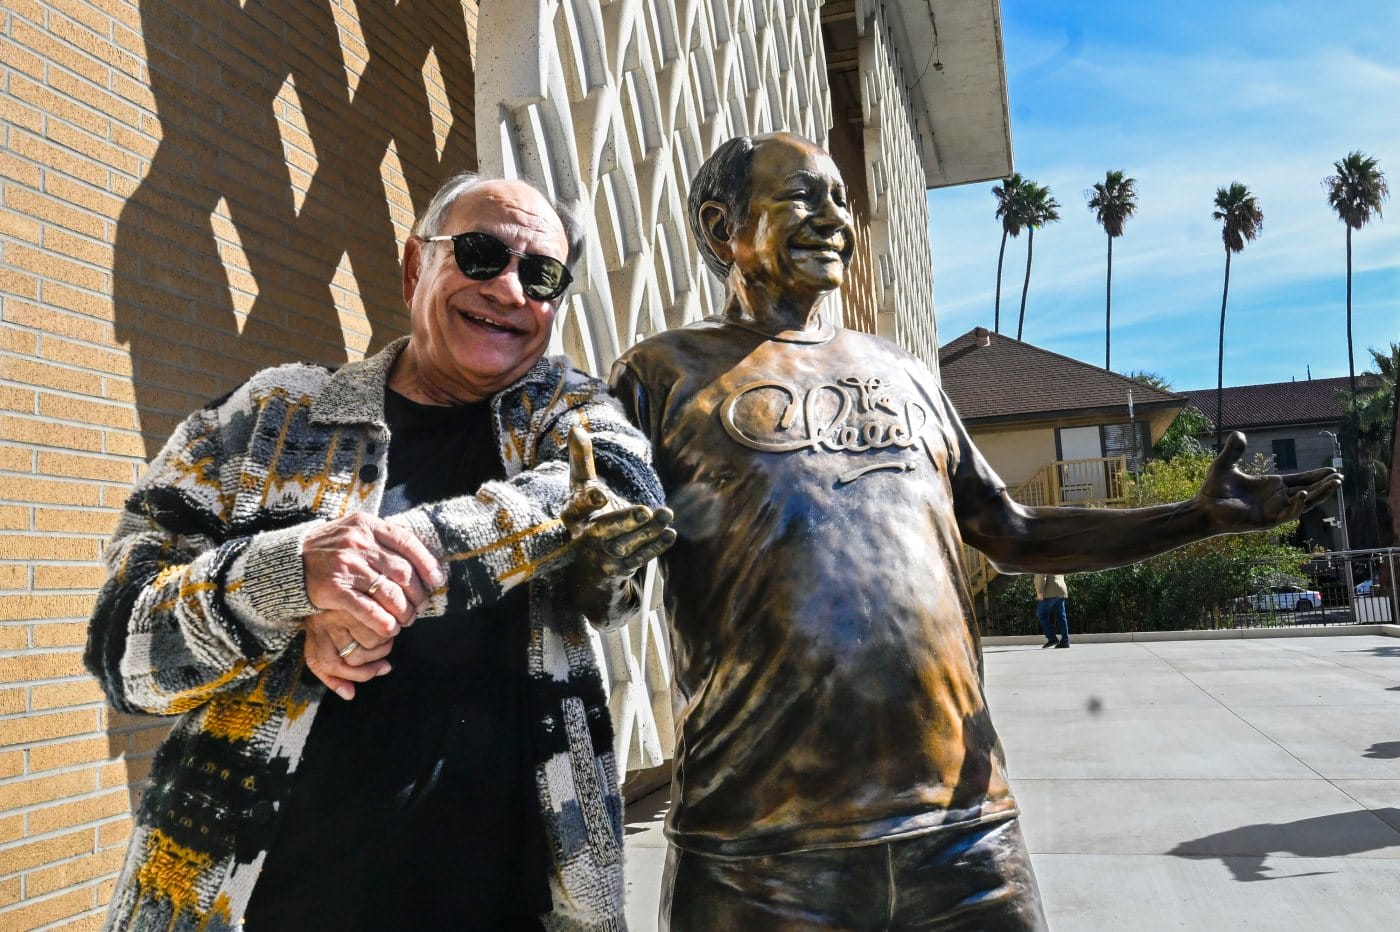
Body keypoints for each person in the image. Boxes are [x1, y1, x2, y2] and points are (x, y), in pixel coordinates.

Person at [610, 132, 1341, 930]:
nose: (833, 218)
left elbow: (1012, 530)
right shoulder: (661, 375)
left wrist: (1194, 518)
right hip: (757, 850)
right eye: (802, 197)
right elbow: (606, 578)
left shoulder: (905, 373)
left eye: (842, 199)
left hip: (964, 830)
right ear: (723, 227)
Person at [86, 171, 675, 931]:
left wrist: (374, 580)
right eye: (480, 253)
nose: (509, 290)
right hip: (256, 904)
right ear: (413, 266)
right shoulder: (269, 417)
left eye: (542, 275)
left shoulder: (570, 416)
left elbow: (611, 495)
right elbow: (120, 650)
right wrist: (284, 579)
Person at [1034, 573, 1070, 648]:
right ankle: (1065, 641)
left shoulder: (1040, 562)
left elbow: (1041, 576)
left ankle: (1052, 638)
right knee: (1061, 617)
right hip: (1061, 590)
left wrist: (1040, 592)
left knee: (1041, 613)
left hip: (1050, 591)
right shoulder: (1056, 562)